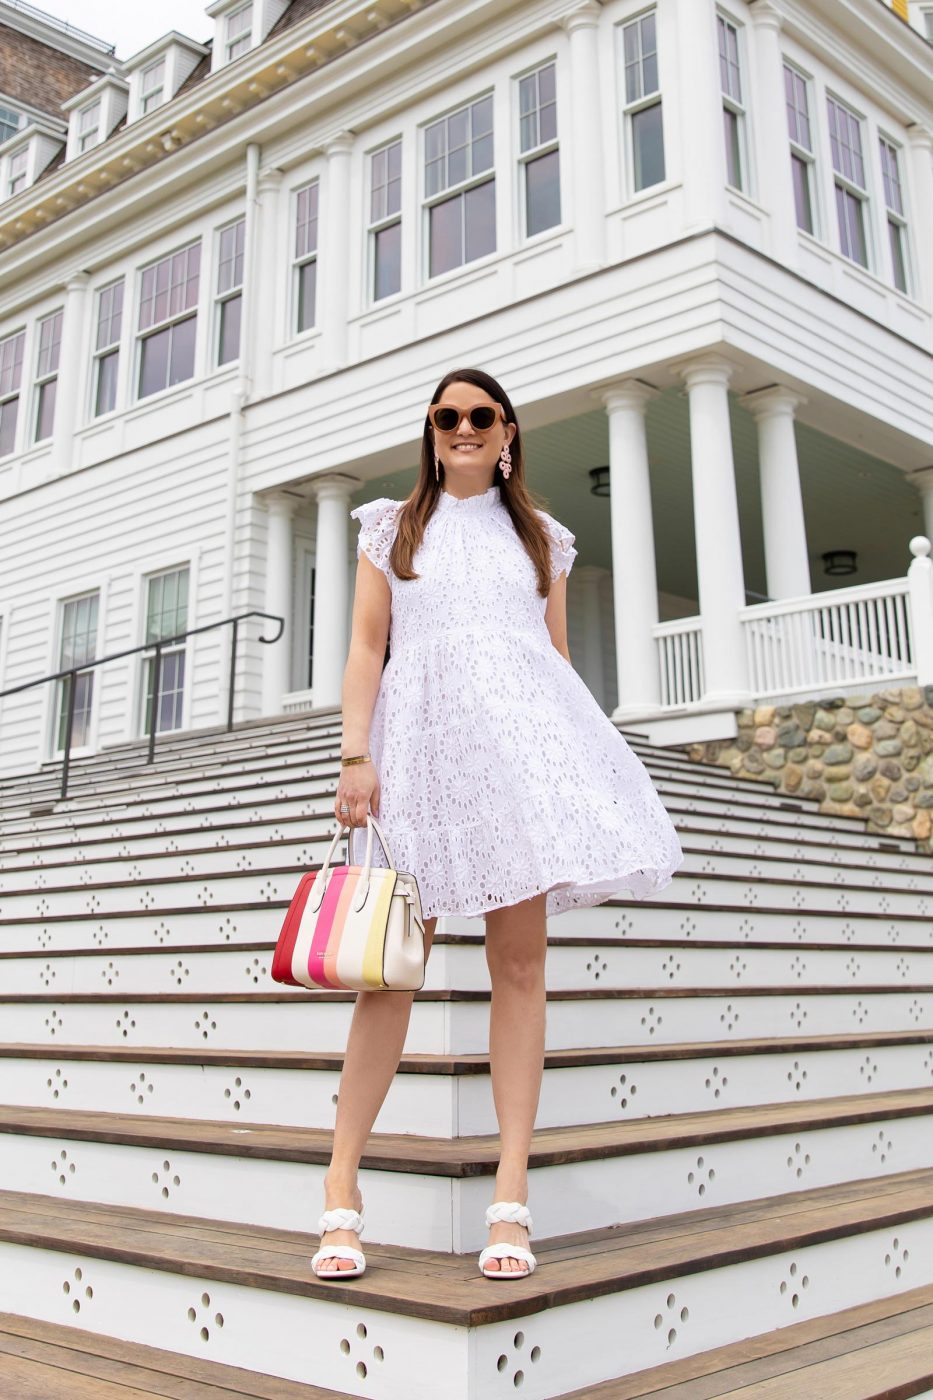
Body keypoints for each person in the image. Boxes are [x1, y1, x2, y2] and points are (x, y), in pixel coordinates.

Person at [311, 366, 684, 1281]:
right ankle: (340, 1190)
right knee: (388, 978)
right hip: (420, 761)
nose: (463, 429)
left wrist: (579, 768)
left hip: (515, 765)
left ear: (508, 430)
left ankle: (510, 1197)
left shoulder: (542, 541)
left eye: (479, 416)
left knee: (519, 967)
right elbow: (366, 646)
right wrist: (356, 755)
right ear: (431, 432)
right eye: (446, 417)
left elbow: (552, 662)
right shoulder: (388, 528)